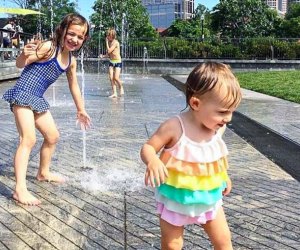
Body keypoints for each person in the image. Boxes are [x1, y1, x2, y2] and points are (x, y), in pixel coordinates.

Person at [140, 62, 242, 250]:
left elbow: (213, 157)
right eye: (222, 112)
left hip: (209, 198)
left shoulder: (216, 127)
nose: (228, 118)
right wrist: (153, 160)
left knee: (224, 241)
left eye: (232, 111)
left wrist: (223, 176)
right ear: (195, 103)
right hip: (176, 199)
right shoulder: (174, 127)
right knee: (172, 245)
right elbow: (147, 147)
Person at [2, 13, 91, 206]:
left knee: (52, 136)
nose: (74, 39)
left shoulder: (71, 61)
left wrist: (81, 109)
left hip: (37, 99)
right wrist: (24, 54)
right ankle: (20, 189)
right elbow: (20, 64)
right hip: (23, 94)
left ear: (84, 39)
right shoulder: (49, 48)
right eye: (71, 33)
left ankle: (43, 172)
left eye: (80, 37)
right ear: (63, 30)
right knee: (29, 139)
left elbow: (74, 86)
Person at [99, 28, 124, 98]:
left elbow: (109, 51)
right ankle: (114, 93)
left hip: (117, 62)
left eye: (108, 35)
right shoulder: (110, 42)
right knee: (111, 78)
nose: (107, 36)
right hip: (111, 62)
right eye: (107, 35)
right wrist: (103, 56)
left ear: (112, 35)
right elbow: (109, 54)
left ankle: (121, 87)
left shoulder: (116, 43)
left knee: (116, 77)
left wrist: (106, 43)